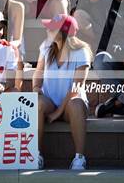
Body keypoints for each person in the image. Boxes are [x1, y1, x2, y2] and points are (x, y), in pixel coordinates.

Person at [33, 14, 91, 170]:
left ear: (64, 33)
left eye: (52, 28)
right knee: (37, 103)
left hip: (71, 103)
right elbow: (37, 75)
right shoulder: (46, 46)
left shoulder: (81, 51)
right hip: (50, 102)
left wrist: (58, 113)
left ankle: (79, 157)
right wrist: (36, 89)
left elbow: (76, 88)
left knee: (76, 104)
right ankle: (35, 155)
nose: (47, 29)